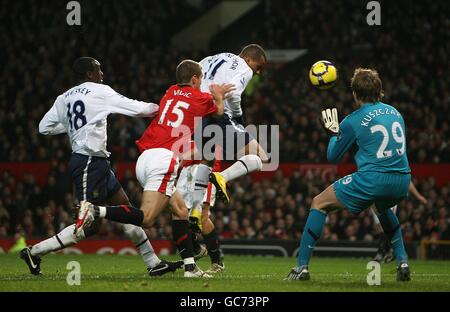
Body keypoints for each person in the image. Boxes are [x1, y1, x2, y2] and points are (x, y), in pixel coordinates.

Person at [20, 57, 182, 277]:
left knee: (126, 209)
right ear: (89, 74)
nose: (102, 73)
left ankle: (153, 262)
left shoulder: (63, 98)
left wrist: (71, 127)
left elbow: (43, 128)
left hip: (98, 162)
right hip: (87, 161)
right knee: (88, 225)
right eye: (98, 69)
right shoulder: (100, 91)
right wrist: (163, 109)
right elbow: (136, 108)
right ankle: (34, 251)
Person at [75, 60, 233, 278]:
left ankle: (190, 268)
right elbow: (219, 113)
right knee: (148, 218)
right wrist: (218, 95)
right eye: (201, 79)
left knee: (180, 212)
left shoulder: (169, 92)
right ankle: (95, 210)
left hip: (145, 156)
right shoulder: (199, 97)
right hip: (164, 159)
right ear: (195, 79)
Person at [286, 68, 412, 282]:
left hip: (374, 179)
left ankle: (301, 268)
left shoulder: (352, 121)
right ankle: (403, 262)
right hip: (403, 179)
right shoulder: (395, 112)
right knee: (382, 208)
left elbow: (333, 156)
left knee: (318, 203)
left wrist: (333, 134)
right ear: (379, 91)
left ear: (355, 94)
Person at [193, 44, 269, 204]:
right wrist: (238, 115)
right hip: (217, 115)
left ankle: (195, 208)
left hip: (196, 113)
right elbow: (234, 94)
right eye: (258, 66)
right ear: (248, 59)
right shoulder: (245, 68)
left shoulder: (213, 57)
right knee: (263, 158)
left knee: (207, 159)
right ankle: (222, 177)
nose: (258, 72)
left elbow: (192, 76)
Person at [177, 159, 225, 273]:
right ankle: (197, 250)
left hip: (207, 172)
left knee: (202, 217)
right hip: (188, 173)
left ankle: (217, 262)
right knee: (180, 214)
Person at [372, 181, 427, 263]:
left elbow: (408, 181)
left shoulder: (395, 170)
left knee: (385, 225)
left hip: (390, 198)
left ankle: (382, 252)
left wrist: (418, 196)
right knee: (380, 227)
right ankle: (391, 250)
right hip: (375, 198)